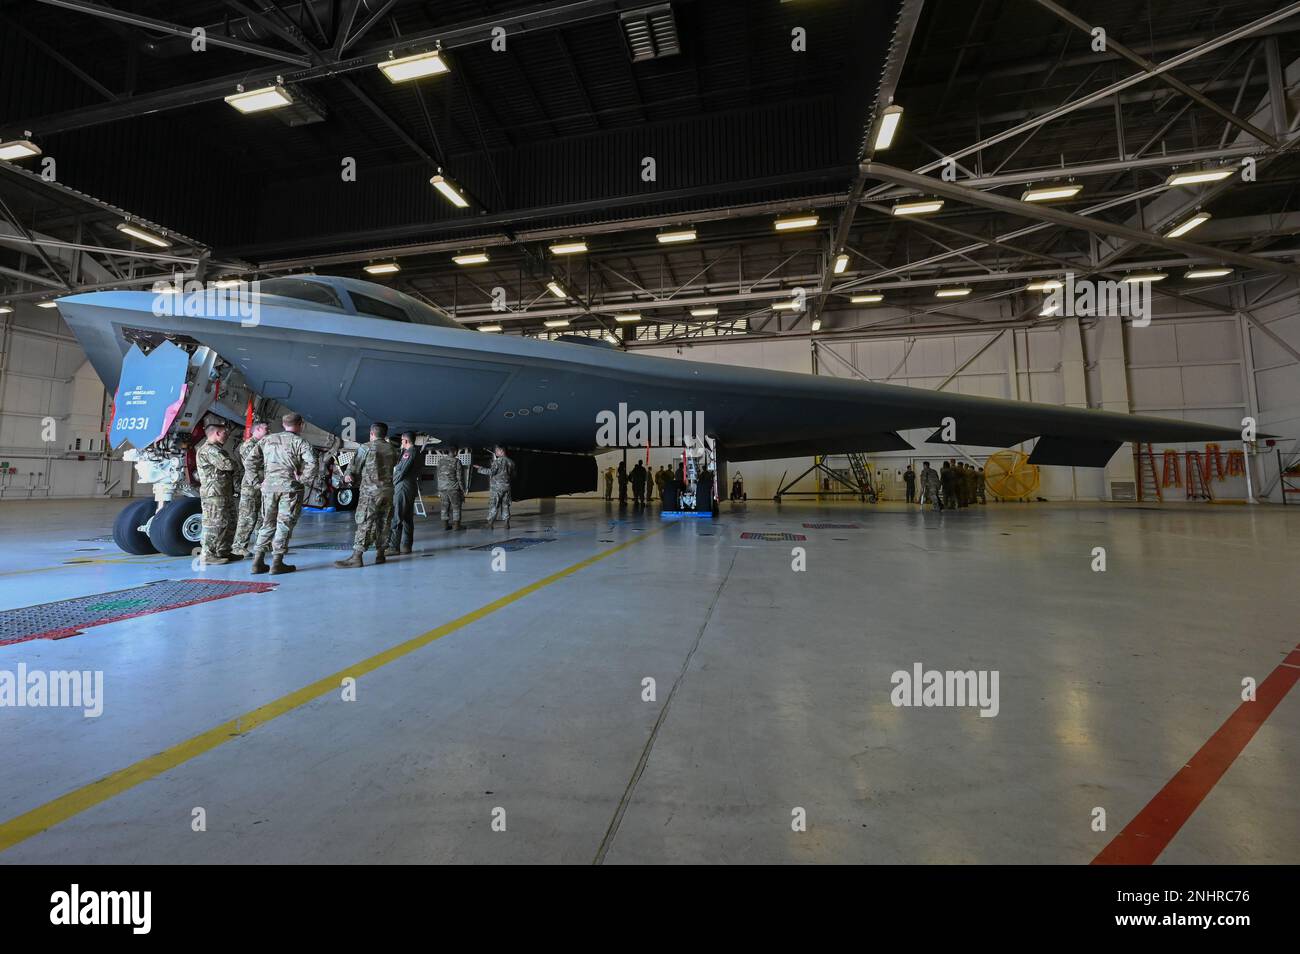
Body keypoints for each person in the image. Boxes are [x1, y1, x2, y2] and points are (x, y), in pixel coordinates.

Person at [250, 411, 317, 575]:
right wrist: (302, 479)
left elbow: (250, 461)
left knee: (267, 524)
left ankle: (257, 562)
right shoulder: (300, 442)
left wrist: (257, 482)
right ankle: (277, 563)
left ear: (283, 424)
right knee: (284, 524)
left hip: (269, 489)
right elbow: (313, 463)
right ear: (301, 425)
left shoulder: (267, 440)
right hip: (290, 489)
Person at [336, 422, 398, 568]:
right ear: (385, 434)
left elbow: (354, 469)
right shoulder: (393, 449)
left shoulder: (366, 448)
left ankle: (357, 557)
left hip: (370, 492)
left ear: (371, 433)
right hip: (388, 491)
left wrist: (347, 477)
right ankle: (380, 554)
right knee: (384, 522)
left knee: (365, 522)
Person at [195, 418, 237, 565]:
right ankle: (207, 554)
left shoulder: (218, 449)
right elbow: (228, 465)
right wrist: (235, 463)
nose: (227, 435)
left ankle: (223, 551)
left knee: (229, 522)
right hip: (214, 494)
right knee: (215, 524)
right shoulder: (209, 450)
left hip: (223, 492)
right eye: (225, 433)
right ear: (217, 433)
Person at [231, 418, 268, 556]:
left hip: (263, 485)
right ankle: (238, 546)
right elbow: (253, 464)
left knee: (261, 516)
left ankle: (261, 543)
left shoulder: (263, 444)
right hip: (251, 486)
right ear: (257, 429)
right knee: (248, 517)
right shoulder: (248, 445)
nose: (268, 430)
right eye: (265, 428)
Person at [388, 431, 420, 553]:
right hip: (409, 487)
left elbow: (401, 472)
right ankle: (406, 545)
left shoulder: (409, 453)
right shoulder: (415, 452)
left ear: (406, 441)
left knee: (397, 516)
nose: (401, 442)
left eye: (402, 440)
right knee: (407, 518)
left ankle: (393, 547)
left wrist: (392, 483)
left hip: (402, 487)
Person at [475, 444, 516, 530]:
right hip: (507, 487)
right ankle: (506, 524)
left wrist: (480, 468)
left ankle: (490, 524)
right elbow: (513, 475)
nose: (495, 452)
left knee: (493, 505)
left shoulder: (497, 461)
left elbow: (491, 472)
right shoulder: (511, 462)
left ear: (502, 451)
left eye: (497, 450)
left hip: (497, 488)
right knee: (505, 505)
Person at [435, 447, 465, 530]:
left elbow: (438, 475)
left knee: (444, 507)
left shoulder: (440, 461)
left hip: (442, 488)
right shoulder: (457, 461)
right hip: (453, 488)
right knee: (456, 507)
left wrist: (439, 489)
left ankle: (445, 525)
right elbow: (459, 477)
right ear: (455, 451)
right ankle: (456, 526)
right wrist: (462, 489)